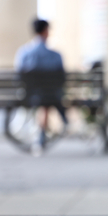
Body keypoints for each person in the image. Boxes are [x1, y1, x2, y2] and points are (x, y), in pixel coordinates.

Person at [14, 18, 67, 154]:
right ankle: (61, 122)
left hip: (30, 95)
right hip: (52, 96)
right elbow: (62, 78)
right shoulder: (55, 55)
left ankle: (41, 137)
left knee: (44, 99)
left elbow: (18, 75)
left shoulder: (24, 52)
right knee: (48, 98)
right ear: (46, 31)